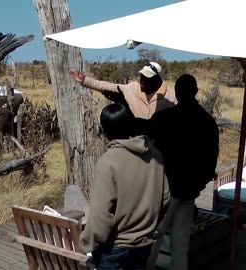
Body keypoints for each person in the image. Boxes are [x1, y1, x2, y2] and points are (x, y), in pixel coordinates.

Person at [71, 103, 170, 270]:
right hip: (144, 244)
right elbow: (165, 199)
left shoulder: (108, 162)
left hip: (113, 248)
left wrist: (88, 242)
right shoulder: (154, 154)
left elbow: (101, 214)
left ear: (104, 132)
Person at [143, 74, 219, 270]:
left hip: (164, 191)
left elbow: (146, 146)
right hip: (188, 193)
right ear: (195, 92)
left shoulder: (164, 118)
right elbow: (210, 164)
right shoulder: (207, 122)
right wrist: (196, 186)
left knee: (152, 242)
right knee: (180, 245)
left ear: (176, 92)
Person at [70, 62, 176, 119]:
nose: (142, 80)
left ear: (156, 79)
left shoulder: (171, 96)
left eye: (147, 77)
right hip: (135, 144)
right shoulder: (132, 88)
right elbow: (108, 86)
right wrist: (85, 80)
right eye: (142, 76)